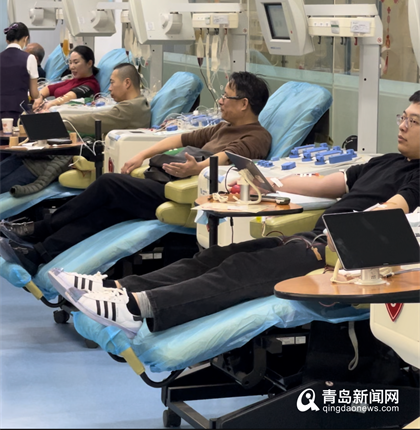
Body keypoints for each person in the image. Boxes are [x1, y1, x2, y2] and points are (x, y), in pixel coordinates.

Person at [28, 91, 420, 337]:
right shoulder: (385, 161)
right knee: (215, 257)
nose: (402, 126)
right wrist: (268, 180)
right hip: (308, 241)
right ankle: (117, 289)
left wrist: (350, 234)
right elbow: (328, 184)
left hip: (338, 259)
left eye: (413, 121)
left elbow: (393, 209)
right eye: (402, 117)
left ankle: (138, 310)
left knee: (238, 272)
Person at [0, 72, 271, 271]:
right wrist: (142, 154)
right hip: (168, 184)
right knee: (105, 212)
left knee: (109, 183)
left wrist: (197, 167)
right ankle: (38, 254)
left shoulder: (257, 136)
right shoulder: (223, 127)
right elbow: (180, 138)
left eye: (226, 96)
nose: (220, 101)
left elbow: (228, 157)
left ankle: (40, 228)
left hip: (188, 196)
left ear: (244, 103)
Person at [0, 63, 151, 194]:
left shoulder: (131, 108)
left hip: (66, 159)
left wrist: (56, 121)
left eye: (112, 83)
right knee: (16, 160)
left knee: (9, 178)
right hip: (59, 154)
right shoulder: (136, 104)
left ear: (127, 83)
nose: (109, 88)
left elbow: (93, 120)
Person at [32, 45, 100, 112]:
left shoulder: (91, 85)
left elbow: (69, 97)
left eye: (76, 62)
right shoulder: (72, 81)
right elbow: (49, 88)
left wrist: (51, 104)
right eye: (70, 63)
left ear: (89, 63)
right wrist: (39, 98)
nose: (71, 67)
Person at [0, 22, 39, 125]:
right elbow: (34, 94)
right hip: (18, 111)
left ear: (7, 40)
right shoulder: (29, 58)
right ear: (25, 39)